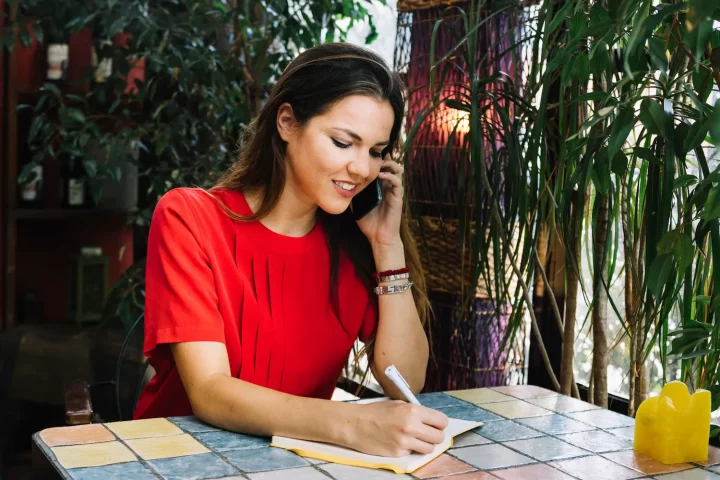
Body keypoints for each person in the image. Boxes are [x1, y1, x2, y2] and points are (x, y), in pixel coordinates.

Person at [133, 42, 448, 457]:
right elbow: (210, 392)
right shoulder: (190, 217)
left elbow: (405, 379)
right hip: (176, 459)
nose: (361, 169)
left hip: (291, 463)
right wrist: (351, 423)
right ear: (286, 122)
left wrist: (388, 248)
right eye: (342, 142)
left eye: (375, 152)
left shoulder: (355, 244)